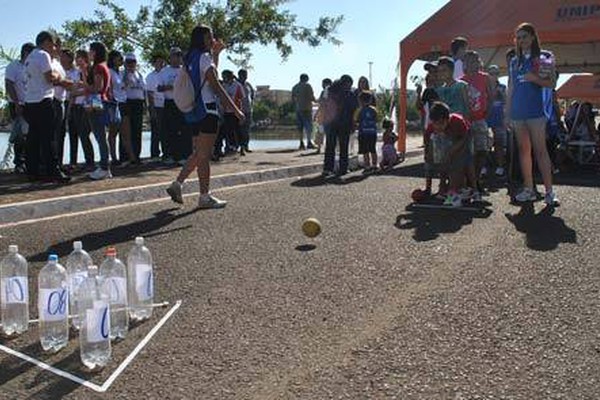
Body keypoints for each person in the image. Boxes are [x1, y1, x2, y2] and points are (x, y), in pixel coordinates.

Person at [165, 25, 244, 209]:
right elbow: (215, 85)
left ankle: (177, 184)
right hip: (207, 111)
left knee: (198, 153)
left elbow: (208, 76)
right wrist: (235, 110)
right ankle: (204, 196)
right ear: (202, 39)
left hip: (193, 111)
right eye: (209, 37)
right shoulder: (203, 57)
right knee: (204, 156)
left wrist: (216, 54)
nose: (212, 40)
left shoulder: (190, 58)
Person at [507, 22, 559, 206]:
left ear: (533, 37)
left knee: (540, 150)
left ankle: (549, 192)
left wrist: (533, 78)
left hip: (536, 111)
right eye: (518, 37)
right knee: (523, 150)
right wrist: (507, 113)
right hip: (517, 113)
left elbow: (551, 84)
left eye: (524, 36)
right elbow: (511, 87)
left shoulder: (544, 57)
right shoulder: (514, 61)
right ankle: (529, 189)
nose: (521, 40)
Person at [23, 31, 70, 183]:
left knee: (33, 138)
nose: (53, 47)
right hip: (43, 100)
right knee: (49, 138)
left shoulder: (29, 57)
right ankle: (53, 170)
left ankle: (33, 171)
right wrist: (59, 76)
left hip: (30, 102)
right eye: (52, 44)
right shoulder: (43, 55)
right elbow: (50, 77)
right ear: (46, 42)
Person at [427, 102, 471, 207]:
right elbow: (429, 146)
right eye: (436, 124)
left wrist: (454, 150)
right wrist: (430, 157)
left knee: (457, 167)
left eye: (441, 123)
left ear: (448, 119)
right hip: (447, 144)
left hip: (463, 141)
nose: (438, 127)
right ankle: (446, 189)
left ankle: (454, 194)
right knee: (444, 165)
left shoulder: (458, 121)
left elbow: (466, 137)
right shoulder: (430, 128)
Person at [462, 50, 494, 189]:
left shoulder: (485, 77)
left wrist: (488, 112)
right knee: (469, 152)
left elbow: (491, 96)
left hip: (481, 119)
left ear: (478, 62)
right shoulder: (461, 80)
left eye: (474, 60)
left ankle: (475, 177)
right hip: (466, 121)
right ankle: (471, 182)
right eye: (468, 60)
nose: (471, 63)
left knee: (482, 151)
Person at [4, 42, 35, 174]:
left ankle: (30, 161)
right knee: (19, 135)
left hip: (31, 103)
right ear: (26, 53)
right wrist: (16, 103)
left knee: (30, 134)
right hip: (17, 104)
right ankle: (19, 163)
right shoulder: (13, 66)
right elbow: (9, 84)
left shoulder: (31, 66)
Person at [322, 74, 357, 177]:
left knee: (330, 147)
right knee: (343, 147)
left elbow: (324, 105)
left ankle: (328, 168)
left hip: (331, 123)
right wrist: (353, 124)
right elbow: (353, 109)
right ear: (347, 83)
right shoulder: (349, 94)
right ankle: (343, 168)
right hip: (344, 123)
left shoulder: (330, 92)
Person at [86, 41, 112, 180]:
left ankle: (104, 166)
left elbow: (97, 88)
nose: (88, 53)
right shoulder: (103, 66)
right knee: (100, 135)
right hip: (100, 100)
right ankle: (104, 165)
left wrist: (83, 87)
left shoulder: (98, 68)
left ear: (95, 52)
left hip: (97, 101)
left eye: (90, 50)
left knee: (100, 135)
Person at [158, 47, 188, 164]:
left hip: (182, 102)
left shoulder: (184, 70)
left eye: (179, 55)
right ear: (170, 57)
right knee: (170, 129)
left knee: (184, 130)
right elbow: (159, 88)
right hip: (169, 102)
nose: (178, 58)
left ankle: (183, 155)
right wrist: (173, 87)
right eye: (175, 55)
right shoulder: (164, 71)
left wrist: (177, 87)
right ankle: (169, 155)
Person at [107, 50, 135, 166]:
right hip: (114, 104)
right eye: (119, 59)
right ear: (113, 59)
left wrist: (127, 76)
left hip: (124, 102)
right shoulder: (110, 72)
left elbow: (128, 84)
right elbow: (109, 88)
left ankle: (132, 158)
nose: (122, 61)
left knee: (126, 132)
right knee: (113, 132)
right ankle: (113, 158)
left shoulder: (122, 73)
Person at [69, 49, 95, 171]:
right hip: (76, 107)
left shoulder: (90, 72)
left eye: (80, 58)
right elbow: (72, 92)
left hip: (88, 106)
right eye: (76, 58)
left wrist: (82, 89)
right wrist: (79, 92)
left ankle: (90, 161)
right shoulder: (75, 73)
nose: (77, 60)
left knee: (85, 134)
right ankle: (82, 161)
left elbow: (90, 90)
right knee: (80, 134)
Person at [123, 53, 146, 161]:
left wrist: (145, 104)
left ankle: (136, 155)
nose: (131, 64)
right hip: (128, 103)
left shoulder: (139, 75)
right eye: (128, 62)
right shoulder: (123, 74)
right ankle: (125, 156)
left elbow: (143, 90)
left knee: (137, 130)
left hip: (139, 103)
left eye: (133, 62)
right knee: (127, 131)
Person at [486, 64, 508, 177]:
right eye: (491, 73)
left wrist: (506, 118)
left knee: (499, 143)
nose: (493, 75)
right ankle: (484, 166)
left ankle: (500, 166)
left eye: (496, 73)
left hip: (499, 118)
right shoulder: (484, 87)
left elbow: (506, 103)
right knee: (485, 143)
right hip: (487, 117)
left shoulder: (502, 87)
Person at [145, 54, 166, 162]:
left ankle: (166, 153)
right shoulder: (150, 76)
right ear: (153, 64)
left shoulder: (166, 73)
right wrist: (152, 109)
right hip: (157, 106)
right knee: (156, 131)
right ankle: (154, 154)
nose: (161, 64)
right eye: (158, 62)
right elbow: (150, 93)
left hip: (167, 105)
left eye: (162, 62)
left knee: (166, 131)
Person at [355, 91, 378, 173]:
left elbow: (357, 121)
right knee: (373, 149)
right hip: (372, 133)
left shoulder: (360, 111)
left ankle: (367, 166)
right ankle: (374, 165)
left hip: (363, 133)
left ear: (360, 101)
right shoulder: (374, 110)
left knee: (365, 151)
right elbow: (376, 120)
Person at [291, 73, 316, 150]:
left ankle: (301, 143)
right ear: (306, 79)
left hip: (298, 109)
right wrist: (316, 101)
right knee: (309, 126)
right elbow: (311, 97)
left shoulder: (295, 87)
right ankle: (309, 142)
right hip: (306, 108)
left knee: (300, 127)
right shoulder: (307, 86)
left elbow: (293, 98)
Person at [237, 69, 254, 153]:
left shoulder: (248, 85)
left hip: (248, 110)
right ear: (239, 75)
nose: (245, 76)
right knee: (240, 130)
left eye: (246, 75)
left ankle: (246, 146)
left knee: (247, 130)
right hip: (239, 110)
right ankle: (240, 147)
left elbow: (252, 95)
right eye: (243, 75)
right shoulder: (236, 84)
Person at [314, 78, 332, 154]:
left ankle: (319, 148)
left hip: (324, 115)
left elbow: (321, 104)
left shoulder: (323, 93)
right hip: (329, 115)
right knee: (325, 132)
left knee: (320, 132)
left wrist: (316, 114)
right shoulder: (334, 93)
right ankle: (325, 148)